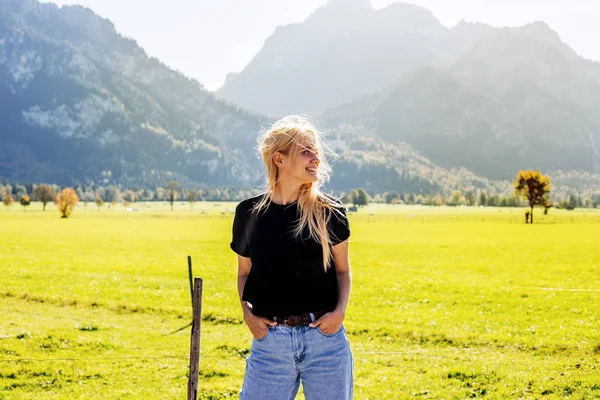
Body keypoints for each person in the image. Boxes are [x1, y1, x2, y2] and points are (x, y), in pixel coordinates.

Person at [230, 115, 353, 400]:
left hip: (325, 342)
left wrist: (339, 313)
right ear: (279, 159)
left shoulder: (329, 212)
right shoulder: (248, 214)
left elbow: (343, 272)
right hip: (270, 343)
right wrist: (247, 313)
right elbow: (244, 274)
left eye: (316, 152)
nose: (316, 159)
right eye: (306, 151)